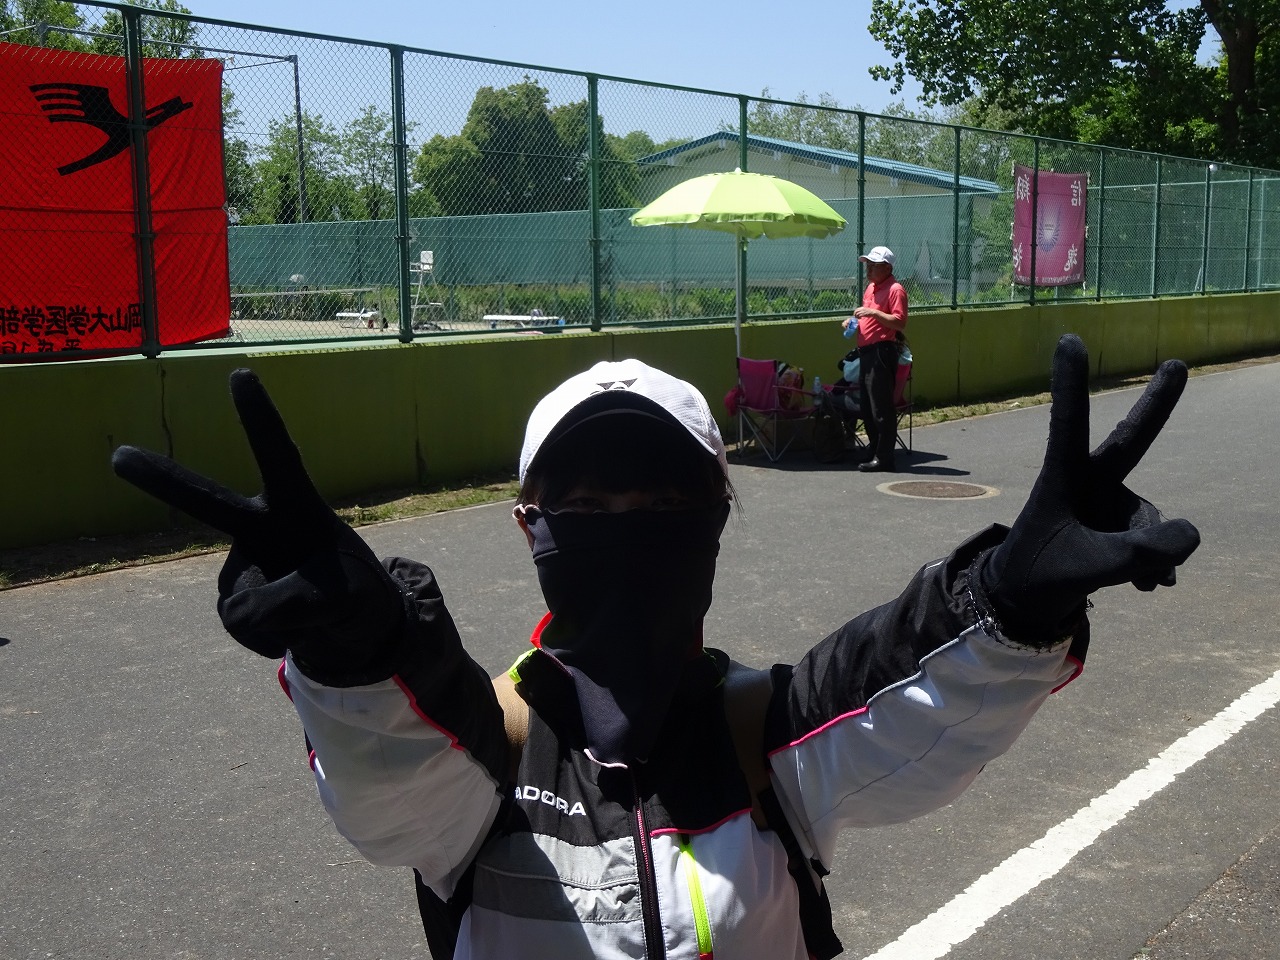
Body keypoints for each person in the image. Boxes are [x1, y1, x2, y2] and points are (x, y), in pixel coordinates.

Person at [110, 336, 1200, 959]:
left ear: (717, 517)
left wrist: (1010, 597)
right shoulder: (489, 750)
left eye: (665, 501)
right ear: (528, 526)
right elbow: (391, 777)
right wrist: (356, 645)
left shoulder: (762, 730)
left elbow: (900, 687)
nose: (625, 524)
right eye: (586, 503)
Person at [842, 245, 908, 472]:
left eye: (874, 266)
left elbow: (899, 322)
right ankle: (874, 449)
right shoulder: (871, 288)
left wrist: (873, 313)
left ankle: (885, 457)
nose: (868, 270)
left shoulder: (895, 290)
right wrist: (852, 322)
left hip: (882, 351)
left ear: (887, 268)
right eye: (868, 265)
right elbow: (866, 318)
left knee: (881, 408)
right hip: (866, 352)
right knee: (867, 407)